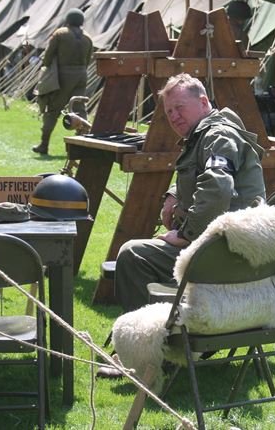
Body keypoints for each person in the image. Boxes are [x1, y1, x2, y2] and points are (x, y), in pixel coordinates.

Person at [114, 74, 266, 313]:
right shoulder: (204, 136)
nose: (174, 116)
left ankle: (151, 339)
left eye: (179, 107)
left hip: (227, 252)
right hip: (222, 244)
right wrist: (173, 195)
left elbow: (218, 188)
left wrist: (187, 234)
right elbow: (204, 174)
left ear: (204, 102)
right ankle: (174, 326)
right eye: (169, 112)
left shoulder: (217, 135)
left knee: (133, 255)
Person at [32, 8, 92, 154]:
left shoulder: (60, 34)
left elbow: (48, 56)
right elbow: (89, 59)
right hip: (81, 75)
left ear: (68, 20)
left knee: (52, 109)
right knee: (79, 110)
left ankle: (44, 144)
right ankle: (83, 145)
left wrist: (47, 67)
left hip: (62, 75)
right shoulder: (87, 38)